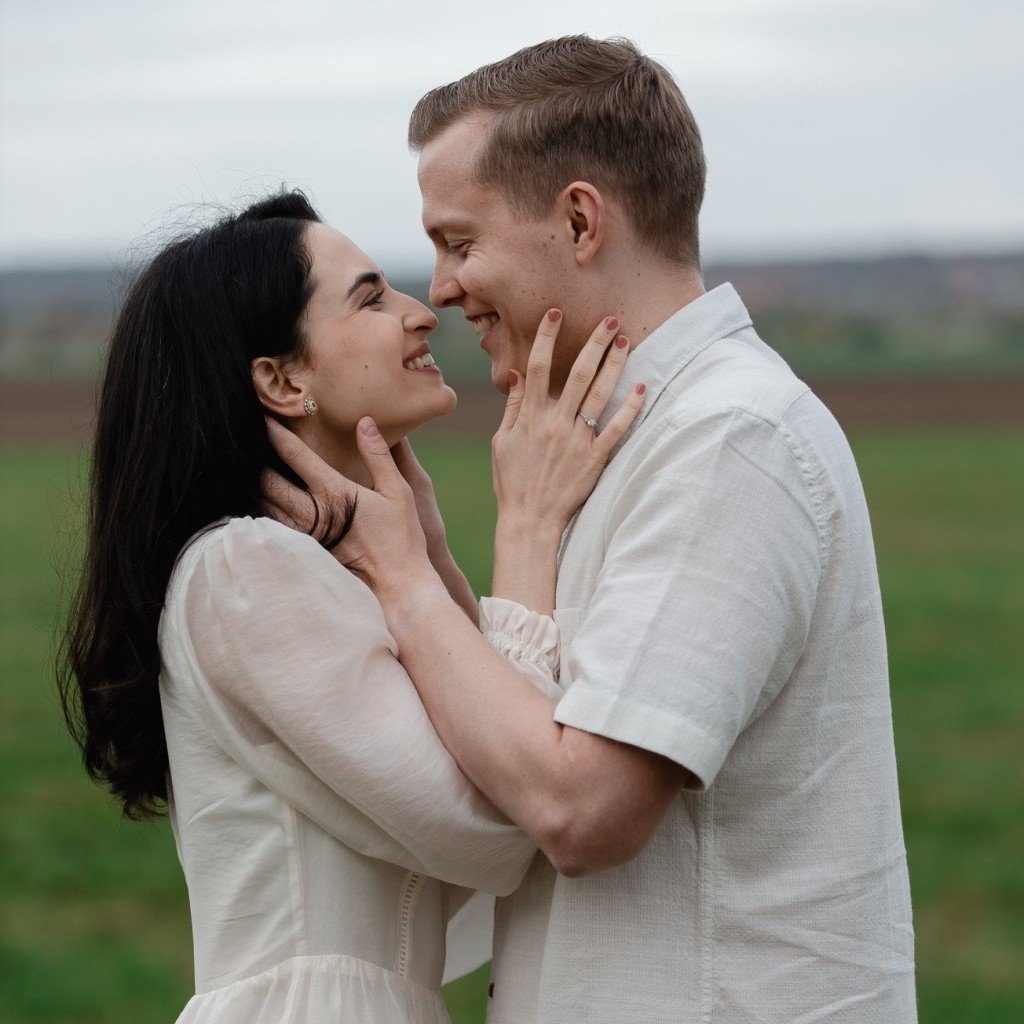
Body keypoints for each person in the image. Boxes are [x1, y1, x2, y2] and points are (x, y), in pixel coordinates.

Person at [267, 35, 918, 1023]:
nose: (439, 290)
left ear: (578, 221)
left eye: (458, 242)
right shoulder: (622, 439)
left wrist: (402, 580)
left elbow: (582, 807)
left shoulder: (727, 439)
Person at [58, 190, 643, 1023]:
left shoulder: (322, 570)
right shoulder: (244, 568)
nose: (422, 312)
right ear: (281, 378)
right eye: (370, 299)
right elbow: (499, 827)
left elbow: (458, 869)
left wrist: (430, 567)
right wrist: (526, 532)